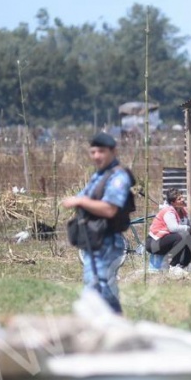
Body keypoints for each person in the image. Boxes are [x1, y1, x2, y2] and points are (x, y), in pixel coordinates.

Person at [61, 132, 134, 314]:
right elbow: (84, 196)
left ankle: (104, 330)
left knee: (96, 290)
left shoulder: (118, 177)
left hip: (107, 241)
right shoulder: (100, 176)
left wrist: (81, 202)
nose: (96, 156)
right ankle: (116, 328)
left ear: (113, 151)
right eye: (93, 152)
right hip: (94, 241)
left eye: (101, 151)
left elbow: (110, 209)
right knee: (103, 291)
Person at [146, 188, 191, 277]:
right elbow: (173, 228)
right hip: (154, 242)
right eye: (179, 199)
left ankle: (183, 265)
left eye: (182, 197)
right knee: (180, 237)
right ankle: (173, 266)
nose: (183, 199)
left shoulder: (183, 211)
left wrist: (189, 229)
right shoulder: (169, 211)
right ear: (173, 203)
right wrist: (187, 228)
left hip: (166, 240)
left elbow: (189, 227)